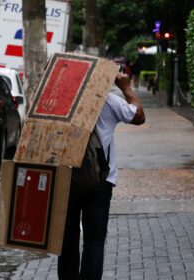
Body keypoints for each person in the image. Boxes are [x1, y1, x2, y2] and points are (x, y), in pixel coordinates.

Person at [58, 73, 145, 280]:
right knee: (94, 242)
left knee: (67, 239)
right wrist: (126, 87)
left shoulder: (62, 99)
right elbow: (139, 116)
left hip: (65, 178)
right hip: (99, 181)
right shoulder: (106, 99)